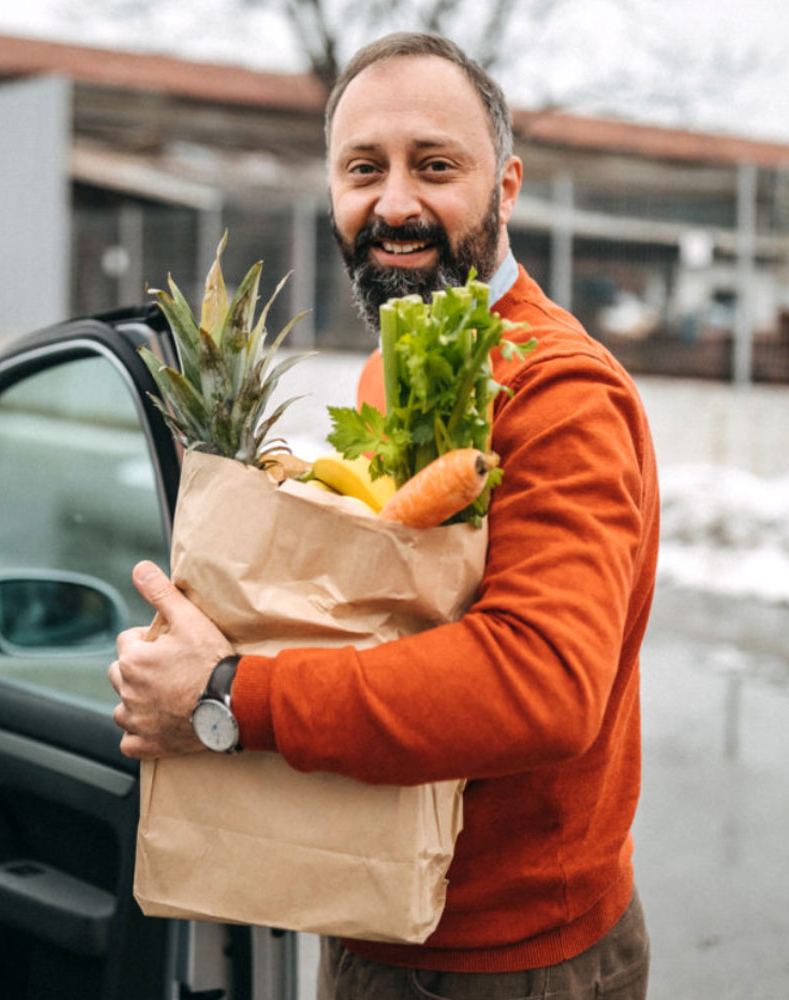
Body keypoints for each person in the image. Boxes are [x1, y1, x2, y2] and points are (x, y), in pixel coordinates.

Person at [108, 31, 658, 1000]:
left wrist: (230, 695)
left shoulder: (561, 391)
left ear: (508, 187)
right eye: (364, 168)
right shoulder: (396, 365)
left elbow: (544, 682)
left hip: (510, 959)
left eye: (435, 166)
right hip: (377, 909)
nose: (394, 202)